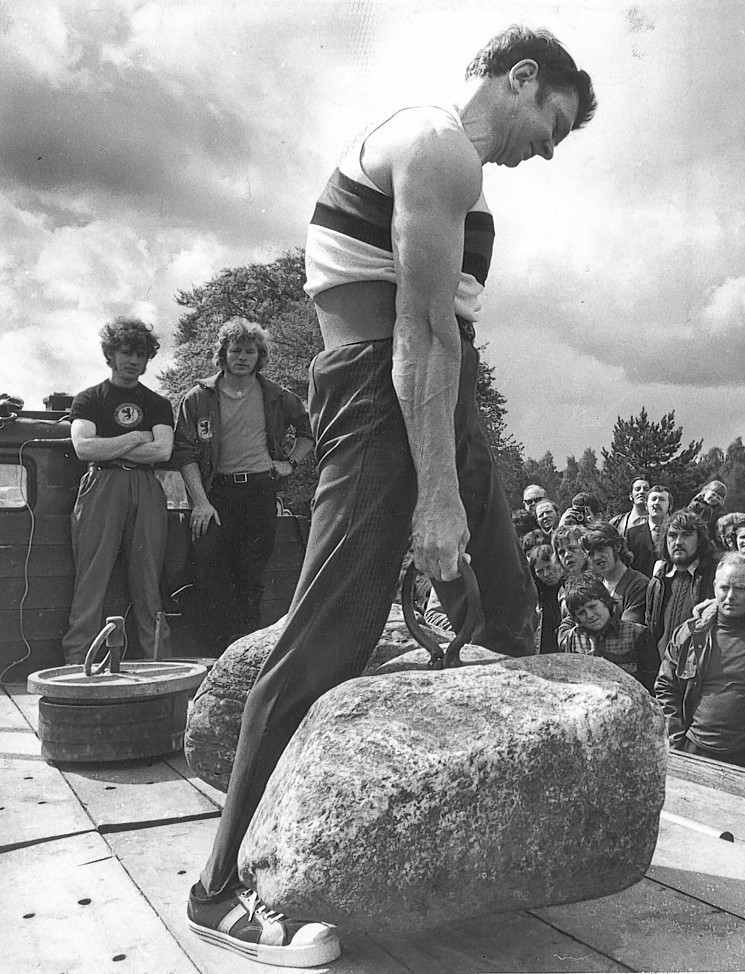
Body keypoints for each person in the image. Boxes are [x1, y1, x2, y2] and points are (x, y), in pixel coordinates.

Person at [186, 26, 596, 967]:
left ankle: (465, 836)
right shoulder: (433, 144)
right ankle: (221, 891)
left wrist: (456, 468)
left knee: (506, 606)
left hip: (429, 395)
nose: (550, 146)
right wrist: (437, 499)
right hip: (384, 393)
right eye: (554, 121)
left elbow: (442, 338)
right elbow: (417, 331)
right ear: (521, 78)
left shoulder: (457, 168)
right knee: (323, 637)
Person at [173, 319, 314, 655]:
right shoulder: (198, 397)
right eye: (235, 350)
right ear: (223, 353)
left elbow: (309, 431)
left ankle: (246, 656)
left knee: (250, 576)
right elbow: (184, 452)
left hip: (258, 492)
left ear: (259, 356)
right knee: (210, 574)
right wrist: (201, 503)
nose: (242, 357)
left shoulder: (276, 396)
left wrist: (289, 463)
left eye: (250, 351)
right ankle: (215, 654)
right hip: (215, 495)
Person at [62, 318, 173, 664]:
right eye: (126, 352)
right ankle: (77, 659)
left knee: (148, 578)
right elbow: (85, 449)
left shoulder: (157, 403)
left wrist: (111, 445)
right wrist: (135, 438)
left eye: (141, 354)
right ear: (111, 354)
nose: (133, 361)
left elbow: (162, 452)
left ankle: (157, 660)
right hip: (101, 485)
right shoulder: (89, 399)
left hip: (145, 486)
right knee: (91, 576)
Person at [654, 553, 745, 772]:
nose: (730, 596)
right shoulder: (690, 633)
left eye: (741, 589)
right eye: (724, 588)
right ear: (715, 587)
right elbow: (666, 688)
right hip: (695, 749)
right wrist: (676, 741)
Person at [645, 508, 721, 659]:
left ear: (699, 539)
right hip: (663, 671)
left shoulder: (715, 576)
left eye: (686, 535)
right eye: (672, 536)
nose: (678, 542)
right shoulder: (658, 582)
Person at [559, 571, 654, 684]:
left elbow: (651, 680)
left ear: (605, 601)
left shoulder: (637, 634)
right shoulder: (574, 639)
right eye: (581, 612)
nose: (589, 615)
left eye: (593, 606)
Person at [580, 520, 648, 623]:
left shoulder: (639, 585)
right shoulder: (593, 585)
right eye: (591, 554)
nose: (597, 557)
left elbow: (628, 631)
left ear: (617, 547)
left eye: (601, 549)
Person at [626, 484, 673, 577]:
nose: (656, 503)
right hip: (641, 588)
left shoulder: (676, 533)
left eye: (662, 499)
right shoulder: (632, 534)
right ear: (646, 505)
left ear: (670, 506)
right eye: (653, 499)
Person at [528, 543, 564, 654]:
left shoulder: (569, 590)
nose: (546, 574)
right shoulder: (536, 597)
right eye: (540, 571)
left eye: (549, 567)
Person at [610, 474, 651, 543]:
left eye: (646, 489)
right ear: (631, 496)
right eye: (637, 489)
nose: (641, 492)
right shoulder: (616, 523)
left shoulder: (661, 521)